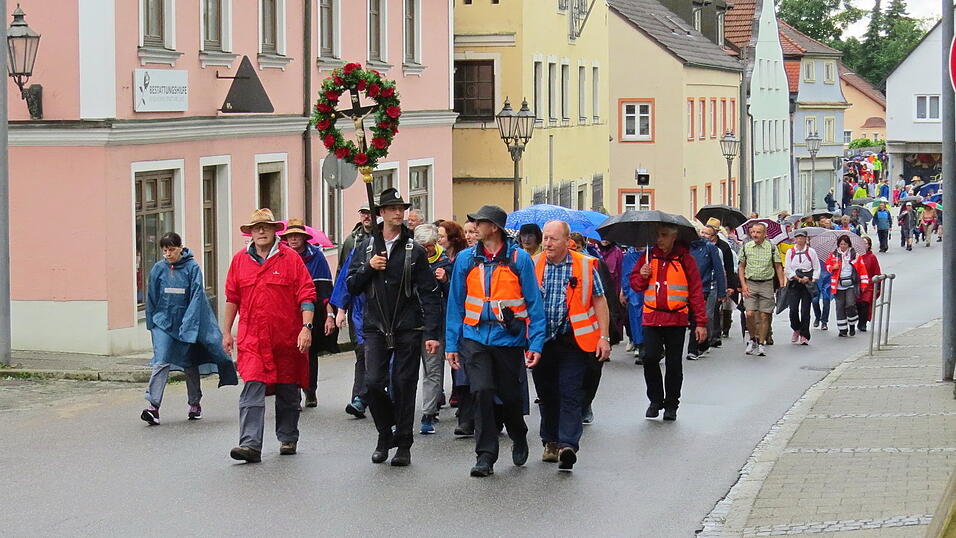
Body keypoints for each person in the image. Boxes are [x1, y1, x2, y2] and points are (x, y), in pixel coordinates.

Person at [444, 205, 546, 478]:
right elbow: (455, 305)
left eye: (481, 222)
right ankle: (485, 455)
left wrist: (535, 344)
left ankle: (518, 432)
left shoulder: (519, 260)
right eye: (474, 221)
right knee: (481, 391)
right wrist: (451, 345)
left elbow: (535, 305)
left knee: (510, 396)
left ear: (495, 227)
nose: (475, 226)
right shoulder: (466, 259)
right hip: (474, 337)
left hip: (508, 339)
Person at [346, 189, 442, 467]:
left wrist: (432, 333)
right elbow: (351, 285)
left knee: (403, 384)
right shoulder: (365, 246)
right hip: (375, 325)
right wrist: (369, 268)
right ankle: (384, 432)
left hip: (407, 326)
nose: (398, 213)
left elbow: (429, 292)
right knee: (374, 382)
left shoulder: (413, 249)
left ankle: (403, 444)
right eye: (392, 209)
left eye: (401, 208)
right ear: (382, 213)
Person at [222, 209, 316, 463]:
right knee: (252, 387)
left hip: (286, 338)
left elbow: (306, 295)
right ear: (250, 233)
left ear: (275, 230)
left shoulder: (291, 259)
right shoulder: (240, 260)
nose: (261, 232)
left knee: (288, 388)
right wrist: (226, 332)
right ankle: (249, 444)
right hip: (252, 338)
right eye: (256, 228)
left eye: (265, 227)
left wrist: (306, 328)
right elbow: (232, 297)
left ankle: (288, 437)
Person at [531, 221, 611, 471]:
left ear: (568, 242)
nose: (548, 244)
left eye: (553, 239)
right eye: (545, 238)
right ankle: (550, 441)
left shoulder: (584, 265)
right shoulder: (534, 263)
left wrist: (604, 337)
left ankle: (568, 445)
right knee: (546, 394)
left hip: (573, 341)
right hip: (542, 340)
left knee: (570, 392)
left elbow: (599, 301)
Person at [141, 232, 238, 426]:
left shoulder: (192, 268)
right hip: (163, 322)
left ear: (180, 248)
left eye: (172, 250)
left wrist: (190, 325)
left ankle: (194, 403)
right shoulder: (158, 269)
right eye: (165, 250)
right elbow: (151, 296)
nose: (168, 254)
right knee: (161, 360)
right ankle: (153, 406)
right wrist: (151, 323)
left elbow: (196, 298)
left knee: (188, 362)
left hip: (187, 323)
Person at [630, 225, 708, 422]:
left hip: (676, 318)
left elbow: (696, 291)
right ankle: (655, 400)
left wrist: (700, 322)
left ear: (674, 238)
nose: (659, 239)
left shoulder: (685, 259)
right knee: (650, 358)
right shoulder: (648, 257)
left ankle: (672, 404)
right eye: (657, 235)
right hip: (652, 317)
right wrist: (642, 275)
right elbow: (636, 285)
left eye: (664, 236)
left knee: (674, 364)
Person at [279, 219, 337, 408]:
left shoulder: (316, 256)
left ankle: (310, 390)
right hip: (287, 311)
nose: (293, 238)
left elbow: (325, 288)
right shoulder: (280, 255)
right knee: (289, 353)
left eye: (297, 235)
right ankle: (293, 392)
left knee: (308, 352)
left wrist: (330, 315)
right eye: (290, 236)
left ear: (304, 238)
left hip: (311, 310)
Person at [413, 224, 453, 434]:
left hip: (436, 324)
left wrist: (445, 280)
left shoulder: (444, 263)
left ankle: (428, 414)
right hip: (410, 323)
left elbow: (455, 294)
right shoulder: (407, 260)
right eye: (422, 247)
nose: (426, 251)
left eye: (429, 246)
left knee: (433, 369)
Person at [330, 246, 368, 419]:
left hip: (393, 315)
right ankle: (359, 399)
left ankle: (390, 397)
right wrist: (340, 310)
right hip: (362, 312)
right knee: (363, 354)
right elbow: (345, 279)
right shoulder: (359, 248)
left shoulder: (403, 246)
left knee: (390, 360)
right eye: (365, 215)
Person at [738, 222, 784, 357]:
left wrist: (781, 285)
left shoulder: (771, 247)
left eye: (758, 232)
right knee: (750, 313)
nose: (755, 235)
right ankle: (753, 339)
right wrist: (743, 284)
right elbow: (741, 267)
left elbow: (778, 266)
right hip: (750, 283)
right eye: (753, 232)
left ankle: (762, 343)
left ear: (765, 234)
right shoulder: (747, 247)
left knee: (765, 315)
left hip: (766, 284)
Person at [686, 228, 726, 360]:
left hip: (703, 288)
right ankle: (702, 344)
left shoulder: (709, 248)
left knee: (697, 318)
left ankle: (693, 349)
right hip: (684, 288)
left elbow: (719, 270)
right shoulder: (685, 248)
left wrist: (721, 291)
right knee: (689, 317)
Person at [825, 235, 870, 337]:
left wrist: (864, 284)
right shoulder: (833, 255)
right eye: (841, 244)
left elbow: (862, 270)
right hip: (838, 285)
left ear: (848, 244)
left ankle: (852, 324)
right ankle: (842, 330)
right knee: (840, 307)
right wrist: (833, 267)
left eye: (845, 244)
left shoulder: (855, 255)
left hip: (851, 284)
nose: (843, 246)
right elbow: (827, 266)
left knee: (850, 305)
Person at [784, 230, 820, 345]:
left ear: (806, 239)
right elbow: (787, 268)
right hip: (795, 281)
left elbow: (816, 267)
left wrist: (812, 279)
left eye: (802, 237)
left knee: (805, 310)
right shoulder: (791, 252)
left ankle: (805, 334)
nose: (800, 240)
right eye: (798, 237)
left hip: (807, 281)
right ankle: (796, 328)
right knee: (793, 309)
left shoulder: (811, 252)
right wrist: (796, 278)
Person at [621, 246, 646, 363]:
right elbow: (625, 276)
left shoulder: (651, 254)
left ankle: (648, 346)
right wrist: (625, 292)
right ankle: (640, 346)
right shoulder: (629, 256)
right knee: (636, 320)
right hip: (634, 292)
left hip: (648, 292)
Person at [855, 236, 882, 333]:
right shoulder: (855, 256)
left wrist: (877, 284)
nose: (863, 245)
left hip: (869, 285)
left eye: (865, 243)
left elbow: (877, 272)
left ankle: (863, 323)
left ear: (869, 245)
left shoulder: (872, 257)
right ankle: (858, 319)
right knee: (857, 304)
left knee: (865, 303)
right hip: (857, 284)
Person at [812, 254, 832, 331]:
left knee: (826, 301)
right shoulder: (814, 253)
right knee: (814, 300)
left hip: (827, 280)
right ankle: (817, 316)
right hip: (816, 279)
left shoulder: (832, 255)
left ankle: (824, 321)